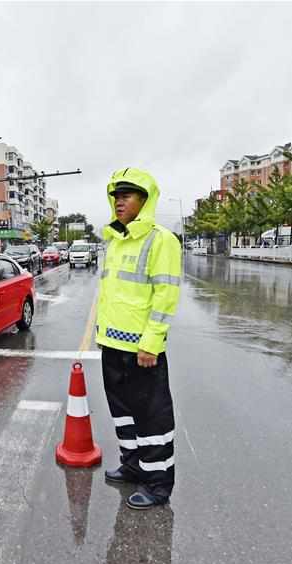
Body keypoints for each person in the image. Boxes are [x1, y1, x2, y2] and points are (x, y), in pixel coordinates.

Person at [95, 167, 182, 510]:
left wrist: (151, 342)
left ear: (145, 201)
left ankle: (158, 483)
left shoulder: (160, 239)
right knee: (124, 413)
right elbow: (111, 295)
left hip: (141, 350)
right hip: (113, 346)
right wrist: (102, 336)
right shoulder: (116, 239)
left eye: (127, 195)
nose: (119, 201)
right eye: (116, 195)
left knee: (152, 418)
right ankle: (133, 466)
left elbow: (165, 295)